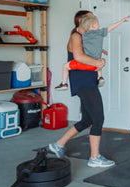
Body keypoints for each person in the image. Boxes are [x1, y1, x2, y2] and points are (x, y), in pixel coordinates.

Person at [48, 10, 115, 168]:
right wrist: (98, 63)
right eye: (90, 17)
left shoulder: (86, 36)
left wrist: (99, 53)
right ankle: (94, 157)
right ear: (81, 21)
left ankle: (58, 145)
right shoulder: (76, 36)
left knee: (87, 120)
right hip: (82, 81)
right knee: (98, 118)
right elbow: (78, 57)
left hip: (87, 80)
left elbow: (88, 50)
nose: (93, 20)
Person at [54, 14, 130, 90]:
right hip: (96, 67)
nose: (99, 25)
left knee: (65, 66)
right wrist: (122, 21)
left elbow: (82, 47)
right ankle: (100, 77)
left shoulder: (83, 36)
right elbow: (111, 28)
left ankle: (64, 83)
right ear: (93, 26)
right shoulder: (100, 33)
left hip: (84, 65)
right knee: (101, 59)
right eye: (98, 24)